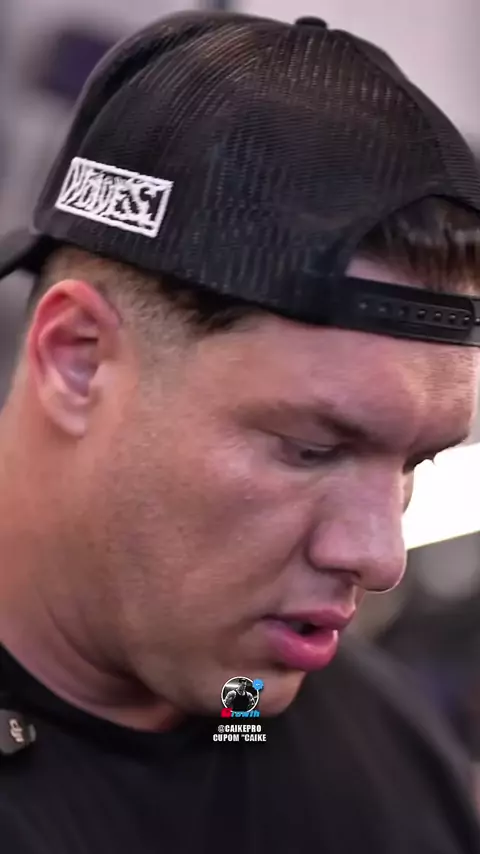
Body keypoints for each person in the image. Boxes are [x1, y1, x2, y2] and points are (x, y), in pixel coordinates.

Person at [0, 9, 480, 853]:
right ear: (79, 359)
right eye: (313, 449)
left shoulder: (375, 747)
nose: (380, 558)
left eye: (417, 461)